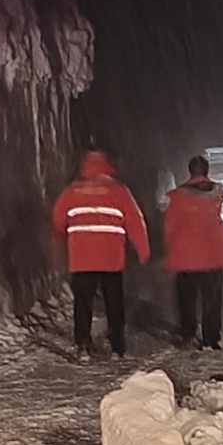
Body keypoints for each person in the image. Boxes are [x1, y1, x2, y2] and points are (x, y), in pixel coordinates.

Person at [51, 148, 148, 355]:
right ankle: (117, 345)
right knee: (114, 301)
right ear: (107, 166)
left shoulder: (72, 192)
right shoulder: (119, 191)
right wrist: (142, 250)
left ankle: (83, 344)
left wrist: (60, 244)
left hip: (81, 259)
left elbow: (57, 221)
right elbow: (135, 221)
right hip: (111, 258)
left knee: (83, 302)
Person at [161, 153, 223, 349]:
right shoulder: (216, 194)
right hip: (213, 251)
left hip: (186, 253)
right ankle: (211, 337)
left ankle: (188, 333)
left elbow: (170, 225)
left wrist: (169, 247)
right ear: (207, 170)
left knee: (186, 297)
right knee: (212, 297)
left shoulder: (178, 196)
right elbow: (220, 201)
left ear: (190, 170)